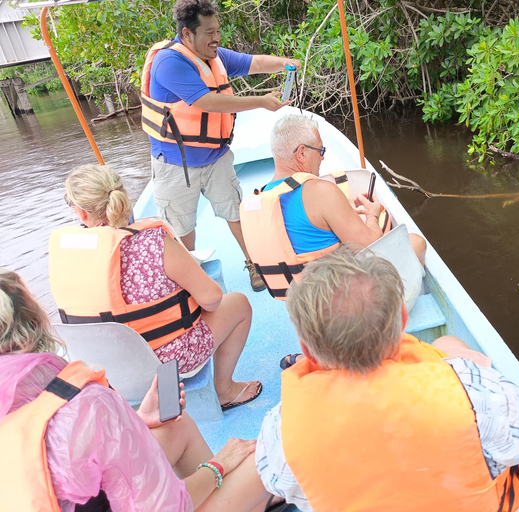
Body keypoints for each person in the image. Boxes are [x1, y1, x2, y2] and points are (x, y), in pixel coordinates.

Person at [255, 245, 519, 512]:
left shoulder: (281, 427)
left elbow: (281, 484)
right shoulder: (471, 391)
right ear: (403, 318)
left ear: (307, 349)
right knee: (451, 347)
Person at [0, 268, 277, 512]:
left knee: (177, 426)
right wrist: (219, 466)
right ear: (35, 322)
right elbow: (165, 506)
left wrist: (135, 423)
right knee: (262, 460)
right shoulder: (85, 404)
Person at [49, 164, 261, 410]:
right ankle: (224, 390)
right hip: (166, 368)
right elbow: (212, 299)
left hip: (104, 371)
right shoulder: (154, 243)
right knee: (238, 303)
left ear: (82, 214)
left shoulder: (67, 255)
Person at [141, 0, 302, 292]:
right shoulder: (169, 62)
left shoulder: (212, 55)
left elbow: (251, 63)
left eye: (217, 31)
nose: (216, 38)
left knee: (235, 212)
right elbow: (207, 102)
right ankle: (191, 281)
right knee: (182, 229)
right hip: (178, 165)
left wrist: (284, 64)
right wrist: (262, 102)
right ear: (188, 34)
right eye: (209, 32)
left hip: (216, 155)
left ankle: (255, 264)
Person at [239, 115, 427, 299]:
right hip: (343, 300)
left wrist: (342, 212)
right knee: (416, 242)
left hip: (305, 307)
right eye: (321, 151)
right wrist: (372, 215)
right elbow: (370, 245)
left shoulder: (254, 203)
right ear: (302, 153)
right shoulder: (320, 191)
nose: (322, 158)